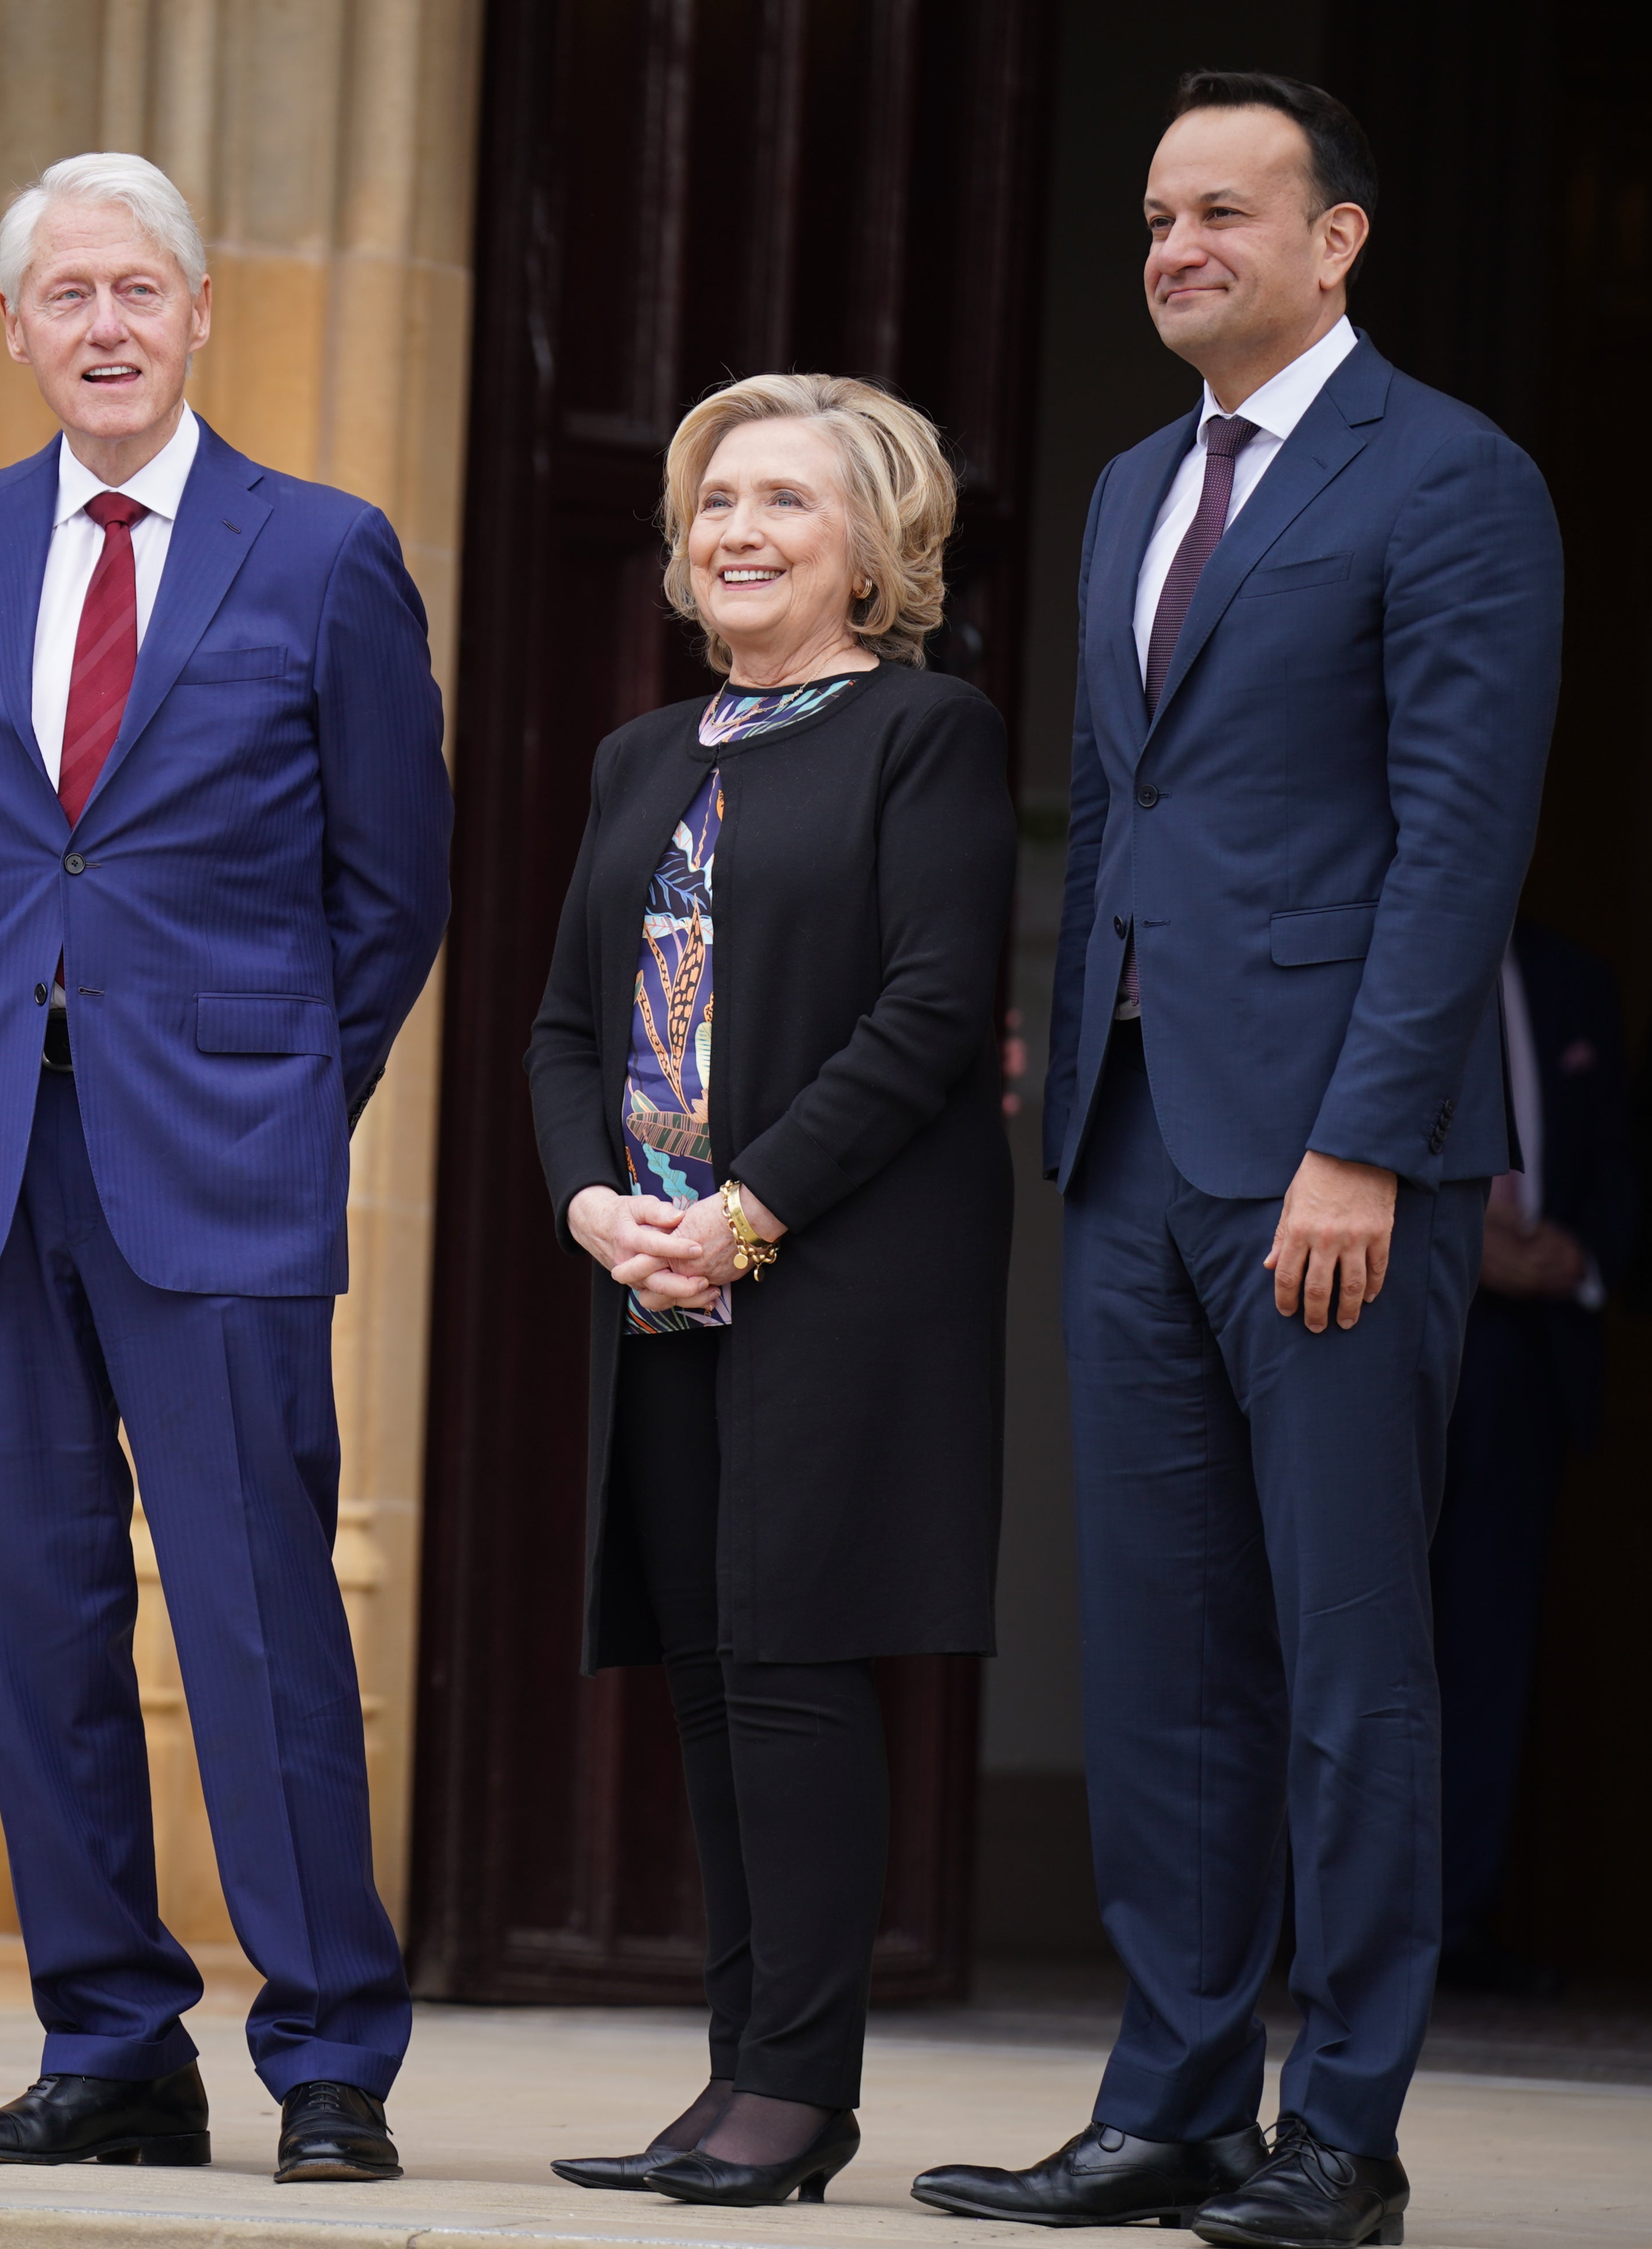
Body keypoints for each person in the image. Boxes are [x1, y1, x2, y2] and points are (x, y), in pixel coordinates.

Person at [913, 73, 1560, 2249]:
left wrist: (1365, 1144)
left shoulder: (1452, 479)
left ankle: (1345, 2133)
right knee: (1167, 1656)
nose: (1175, 246)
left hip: (1328, 1169)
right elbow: (1122, 803)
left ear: (1336, 240)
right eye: (1156, 217)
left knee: (1348, 1646)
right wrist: (1065, 1025)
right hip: (1128, 1151)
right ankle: (1171, 2102)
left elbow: (1456, 844)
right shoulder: (1124, 491)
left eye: (1222, 211)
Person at [0, 152, 450, 2185]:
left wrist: (277, 1094)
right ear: (16, 332)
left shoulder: (325, 552)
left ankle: (329, 2055)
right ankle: (109, 2040)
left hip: (221, 1160)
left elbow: (393, 889)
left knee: (259, 1608)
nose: (104, 324)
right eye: (67, 294)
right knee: (32, 1613)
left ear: (201, 316)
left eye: (138, 289)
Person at [526, 374, 1015, 2211]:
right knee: (717, 1677)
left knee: (799, 1668)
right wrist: (593, 1201)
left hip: (829, 1269)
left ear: (874, 544)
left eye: (788, 502)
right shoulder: (643, 756)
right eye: (715, 498)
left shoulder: (928, 732)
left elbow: (929, 1013)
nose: (737, 530)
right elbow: (570, 1018)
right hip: (654, 1272)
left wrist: (740, 1211)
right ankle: (740, 2070)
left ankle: (800, 2093)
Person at [1433, 920, 1632, 1997]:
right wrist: (1461, 1246)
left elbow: (1616, 1158)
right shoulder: (1366, 951)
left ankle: (1454, 1923)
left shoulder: (1569, 979)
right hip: (1385, 1324)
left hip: (1530, 1363)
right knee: (1347, 1636)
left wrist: (1581, 1254)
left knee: (1488, 1642)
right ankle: (1308, 1924)